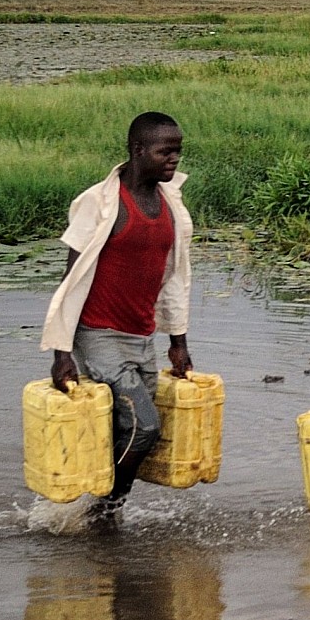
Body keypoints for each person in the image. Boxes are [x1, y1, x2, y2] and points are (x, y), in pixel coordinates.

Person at [39, 112, 195, 522]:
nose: (174, 159)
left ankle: (87, 510)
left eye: (178, 151)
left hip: (142, 336)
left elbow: (174, 278)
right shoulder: (100, 203)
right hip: (98, 334)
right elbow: (71, 280)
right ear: (139, 150)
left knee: (125, 429)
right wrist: (61, 353)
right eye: (165, 151)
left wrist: (178, 343)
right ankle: (104, 512)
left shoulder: (171, 204)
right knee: (145, 427)